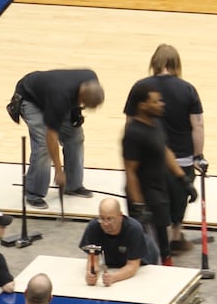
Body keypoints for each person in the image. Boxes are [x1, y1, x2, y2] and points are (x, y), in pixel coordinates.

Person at [123, 46, 204, 253]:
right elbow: (198, 126)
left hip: (149, 164)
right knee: (178, 206)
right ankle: (174, 238)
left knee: (154, 211)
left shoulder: (140, 88)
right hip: (182, 160)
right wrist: (198, 156)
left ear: (155, 62)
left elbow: (130, 124)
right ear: (175, 64)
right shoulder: (188, 89)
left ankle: (156, 247)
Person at [9, 69, 104, 210]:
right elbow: (51, 136)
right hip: (30, 99)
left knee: (76, 138)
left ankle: (73, 185)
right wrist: (59, 171)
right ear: (81, 95)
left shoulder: (91, 77)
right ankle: (33, 193)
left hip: (53, 96)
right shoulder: (59, 97)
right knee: (43, 146)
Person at [123, 85, 189, 266]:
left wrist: (183, 179)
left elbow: (165, 150)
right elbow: (131, 172)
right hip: (145, 197)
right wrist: (138, 206)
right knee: (150, 248)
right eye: (156, 101)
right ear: (143, 105)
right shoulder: (133, 133)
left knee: (163, 240)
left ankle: (166, 265)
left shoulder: (156, 123)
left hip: (159, 192)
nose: (162, 104)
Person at [79, 197, 154, 286]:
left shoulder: (134, 229)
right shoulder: (94, 227)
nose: (106, 224)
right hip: (114, 260)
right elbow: (93, 259)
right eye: (102, 218)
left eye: (110, 219)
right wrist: (91, 273)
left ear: (120, 216)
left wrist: (114, 277)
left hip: (143, 261)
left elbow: (133, 265)